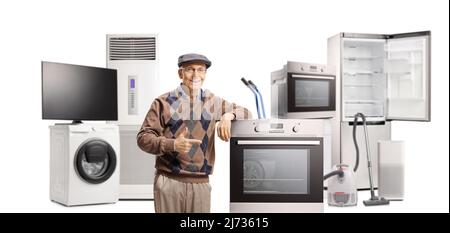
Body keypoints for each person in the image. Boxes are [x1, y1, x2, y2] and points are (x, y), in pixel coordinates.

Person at [137, 53, 251, 213]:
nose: (196, 75)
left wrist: (228, 115)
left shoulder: (213, 102)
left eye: (200, 70)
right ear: (180, 73)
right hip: (169, 181)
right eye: (190, 69)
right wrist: (173, 144)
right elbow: (143, 138)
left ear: (205, 74)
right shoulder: (163, 102)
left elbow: (246, 113)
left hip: (201, 184)